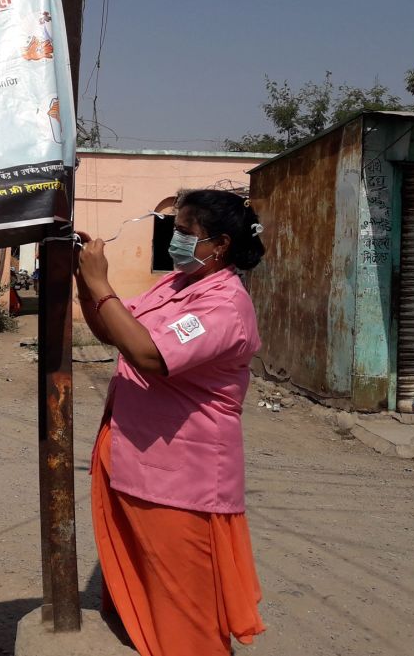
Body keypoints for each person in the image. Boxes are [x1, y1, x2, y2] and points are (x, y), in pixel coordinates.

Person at [74, 189, 267, 656]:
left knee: (185, 601)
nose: (175, 241)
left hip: (183, 474)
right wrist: (84, 277)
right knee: (143, 575)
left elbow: (149, 355)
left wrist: (102, 283)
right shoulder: (177, 286)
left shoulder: (224, 306)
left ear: (219, 244)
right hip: (137, 454)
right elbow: (113, 330)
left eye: (184, 232)